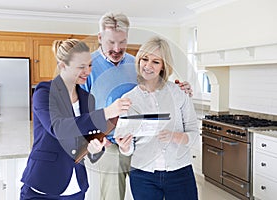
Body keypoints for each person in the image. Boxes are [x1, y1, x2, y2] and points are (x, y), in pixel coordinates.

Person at [80, 12, 193, 200]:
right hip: (109, 146)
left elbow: (159, 88)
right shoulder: (87, 67)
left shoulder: (137, 64)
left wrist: (182, 87)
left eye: (122, 42)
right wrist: (96, 138)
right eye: (110, 42)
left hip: (142, 144)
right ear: (100, 38)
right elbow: (79, 112)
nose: (117, 48)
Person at [20, 38, 132, 200]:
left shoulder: (87, 98)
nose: (87, 71)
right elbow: (59, 128)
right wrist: (106, 112)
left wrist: (95, 149)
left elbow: (89, 142)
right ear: (63, 65)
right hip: (43, 184)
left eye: (89, 65)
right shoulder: (44, 92)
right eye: (81, 66)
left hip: (76, 187)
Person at [116, 36, 199, 200]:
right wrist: (124, 147)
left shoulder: (179, 93)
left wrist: (176, 136)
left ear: (163, 66)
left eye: (155, 61)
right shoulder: (128, 99)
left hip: (180, 172)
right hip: (142, 175)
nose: (148, 66)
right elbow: (128, 146)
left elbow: (195, 134)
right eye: (144, 59)